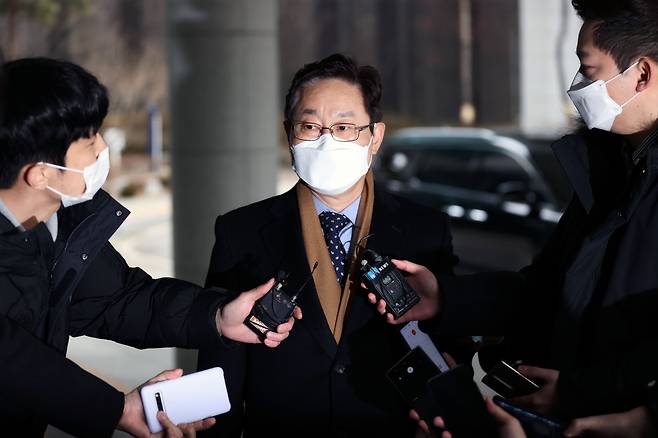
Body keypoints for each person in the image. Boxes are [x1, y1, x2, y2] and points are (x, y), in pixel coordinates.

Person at [369, 0, 658, 426]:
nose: (577, 85)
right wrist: (444, 297)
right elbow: (543, 289)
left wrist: (581, 391)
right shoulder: (611, 170)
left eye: (589, 71)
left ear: (642, 74)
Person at [0, 57, 300, 438]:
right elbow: (13, 360)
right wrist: (117, 409)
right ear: (39, 174)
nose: (103, 147)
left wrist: (218, 316)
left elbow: (116, 298)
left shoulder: (55, 225)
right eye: (89, 139)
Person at [195, 53, 457, 437]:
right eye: (310, 126)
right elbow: (221, 369)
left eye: (345, 127)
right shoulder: (241, 232)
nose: (326, 140)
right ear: (289, 133)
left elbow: (449, 344)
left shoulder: (424, 230)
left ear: (375, 137)